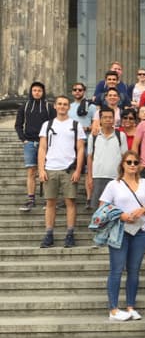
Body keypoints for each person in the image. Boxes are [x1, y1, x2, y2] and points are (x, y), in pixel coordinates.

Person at [100, 151, 145, 321]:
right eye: (129, 162)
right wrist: (121, 215)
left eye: (135, 162)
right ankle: (114, 309)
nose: (132, 165)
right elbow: (103, 206)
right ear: (123, 164)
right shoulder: (113, 185)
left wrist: (144, 209)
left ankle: (131, 306)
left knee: (134, 270)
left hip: (140, 231)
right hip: (120, 231)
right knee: (116, 270)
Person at [38, 96, 86, 248]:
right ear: (55, 106)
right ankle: (49, 234)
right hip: (51, 168)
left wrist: (78, 170)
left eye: (65, 104)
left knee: (70, 202)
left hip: (68, 169)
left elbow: (80, 149)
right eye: (60, 104)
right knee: (50, 202)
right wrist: (41, 169)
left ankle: (70, 234)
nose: (62, 106)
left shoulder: (76, 125)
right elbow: (42, 148)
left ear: (68, 107)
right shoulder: (47, 124)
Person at [16, 81, 55, 211]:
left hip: (45, 142)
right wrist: (23, 139)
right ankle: (31, 199)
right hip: (30, 143)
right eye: (34, 90)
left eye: (39, 90)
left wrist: (50, 140)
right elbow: (18, 124)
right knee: (31, 172)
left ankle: (47, 199)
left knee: (45, 171)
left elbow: (54, 124)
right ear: (31, 92)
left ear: (43, 92)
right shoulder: (25, 106)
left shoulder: (49, 107)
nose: (37, 92)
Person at [87, 107, 128, 209]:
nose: (108, 119)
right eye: (104, 117)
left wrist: (124, 177)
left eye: (110, 117)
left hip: (116, 177)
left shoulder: (121, 135)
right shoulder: (93, 136)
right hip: (98, 176)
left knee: (115, 208)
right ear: (100, 119)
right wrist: (89, 177)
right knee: (98, 209)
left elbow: (125, 158)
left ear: (114, 119)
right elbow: (90, 157)